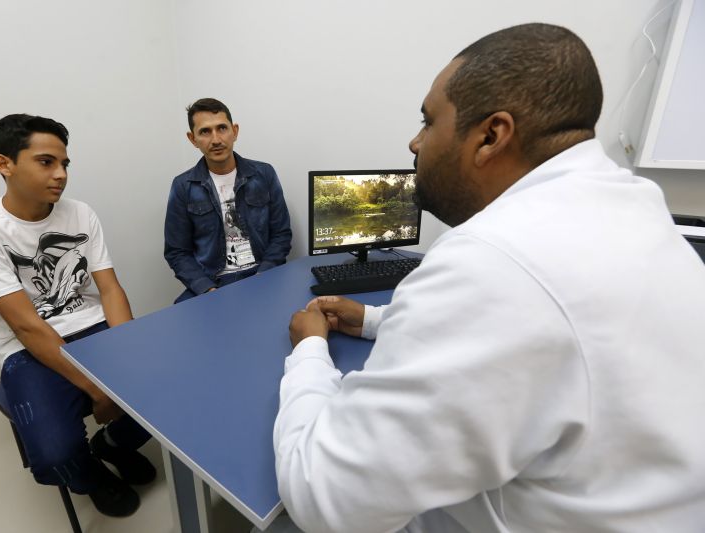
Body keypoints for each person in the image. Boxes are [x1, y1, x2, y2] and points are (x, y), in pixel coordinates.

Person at [275, 23, 705, 533]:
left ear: (490, 136)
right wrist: (372, 320)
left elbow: (325, 497)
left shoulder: (490, 262)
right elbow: (542, 331)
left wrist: (309, 352)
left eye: (428, 121)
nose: (415, 142)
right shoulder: (632, 205)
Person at [0, 114, 156, 518]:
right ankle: (92, 474)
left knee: (165, 391)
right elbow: (27, 325)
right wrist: (102, 392)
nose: (60, 174)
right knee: (53, 456)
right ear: (4, 164)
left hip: (92, 326)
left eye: (65, 164)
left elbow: (110, 289)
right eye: (46, 162)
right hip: (27, 346)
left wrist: (129, 357)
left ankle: (111, 444)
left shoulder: (80, 214)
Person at [164, 98, 292, 303]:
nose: (216, 139)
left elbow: (281, 234)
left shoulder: (264, 174)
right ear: (192, 139)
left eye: (222, 128)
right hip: (214, 282)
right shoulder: (183, 186)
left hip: (262, 273)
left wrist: (264, 275)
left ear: (235, 131)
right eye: (205, 131)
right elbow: (177, 252)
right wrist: (207, 290)